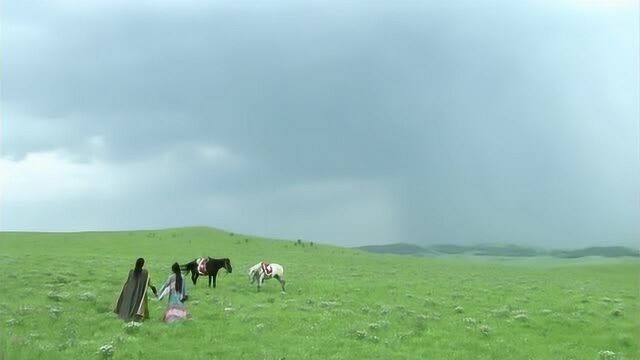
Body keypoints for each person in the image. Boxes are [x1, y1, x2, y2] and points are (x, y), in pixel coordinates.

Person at [114, 258, 157, 322]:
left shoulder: (131, 272)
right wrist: (155, 292)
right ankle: (138, 317)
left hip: (130, 292)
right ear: (143, 264)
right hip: (140, 294)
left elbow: (127, 283)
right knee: (140, 305)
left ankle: (128, 316)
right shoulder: (145, 273)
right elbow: (151, 284)